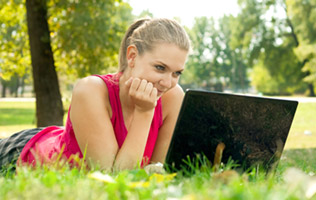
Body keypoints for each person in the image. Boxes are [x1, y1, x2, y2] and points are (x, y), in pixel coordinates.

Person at [0, 18, 191, 172]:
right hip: (23, 150)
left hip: (71, 137)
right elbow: (114, 178)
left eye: (177, 73)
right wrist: (145, 112)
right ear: (132, 56)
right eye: (160, 68)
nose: (168, 83)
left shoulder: (173, 97)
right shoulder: (90, 90)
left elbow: (158, 171)